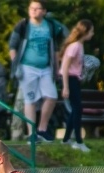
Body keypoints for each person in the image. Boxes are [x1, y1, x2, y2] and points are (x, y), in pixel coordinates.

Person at [9, 1, 68, 143]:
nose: (34, 11)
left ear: (44, 11)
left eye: (37, 8)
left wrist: (57, 68)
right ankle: (31, 133)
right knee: (31, 100)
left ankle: (42, 129)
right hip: (27, 67)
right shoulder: (23, 25)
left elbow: (54, 48)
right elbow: (13, 46)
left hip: (46, 68)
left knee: (52, 96)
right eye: (31, 8)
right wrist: (16, 64)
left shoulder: (50, 26)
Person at [59, 19, 93, 152]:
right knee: (77, 109)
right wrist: (66, 86)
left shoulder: (80, 45)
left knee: (76, 110)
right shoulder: (75, 46)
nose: (92, 34)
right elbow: (65, 65)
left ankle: (66, 138)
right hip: (70, 79)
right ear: (85, 32)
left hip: (75, 79)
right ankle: (79, 140)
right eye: (91, 31)